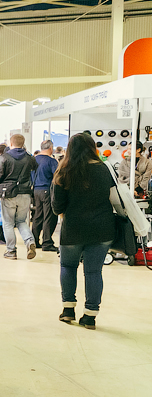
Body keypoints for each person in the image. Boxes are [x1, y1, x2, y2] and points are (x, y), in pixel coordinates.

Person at [52, 133, 128, 330]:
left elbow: (57, 207)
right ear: (92, 147)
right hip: (102, 228)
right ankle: (90, 316)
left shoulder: (64, 171)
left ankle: (68, 310)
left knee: (68, 267)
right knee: (94, 271)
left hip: (73, 228)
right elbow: (116, 199)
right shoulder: (104, 169)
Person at [0, 135, 37, 260]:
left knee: (8, 223)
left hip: (8, 194)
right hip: (25, 193)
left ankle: (11, 251)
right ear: (23, 143)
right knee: (21, 221)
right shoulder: (29, 158)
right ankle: (29, 241)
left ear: (10, 143)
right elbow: (35, 170)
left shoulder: (4, 157)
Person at [31, 140, 59, 252]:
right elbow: (57, 176)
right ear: (51, 148)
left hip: (36, 191)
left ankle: (34, 240)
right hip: (47, 190)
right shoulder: (51, 161)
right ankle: (47, 242)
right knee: (49, 216)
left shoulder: (34, 160)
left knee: (37, 215)